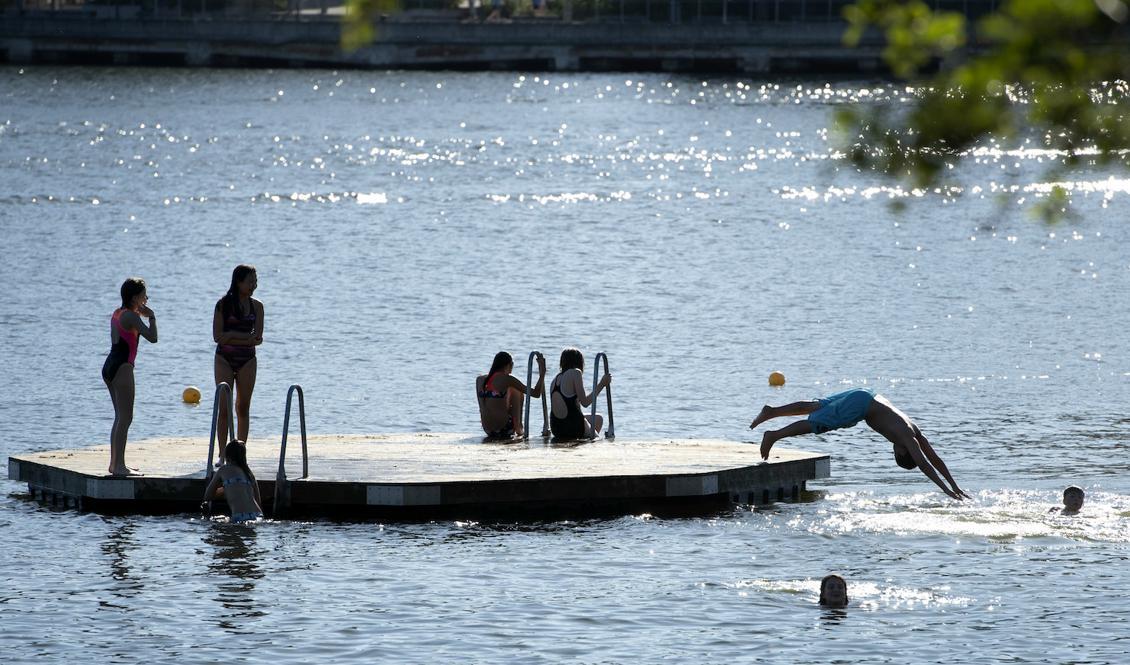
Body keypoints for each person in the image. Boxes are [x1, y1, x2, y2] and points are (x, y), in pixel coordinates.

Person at [750, 388, 970, 500]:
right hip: (862, 406)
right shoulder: (908, 439)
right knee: (819, 424)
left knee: (817, 407)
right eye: (897, 453)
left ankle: (773, 411)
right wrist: (946, 490)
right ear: (905, 452)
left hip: (867, 395)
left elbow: (935, 458)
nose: (894, 448)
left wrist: (955, 485)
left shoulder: (915, 431)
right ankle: (774, 435)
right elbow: (925, 463)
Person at [102, 277, 158, 476]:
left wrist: (140, 313)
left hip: (109, 365)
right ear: (135, 297)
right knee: (126, 418)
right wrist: (151, 316)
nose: (147, 298)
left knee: (119, 417)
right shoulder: (132, 317)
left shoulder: (118, 313)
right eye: (144, 296)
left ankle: (114, 464)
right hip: (123, 368)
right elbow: (153, 337)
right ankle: (119, 467)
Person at [213, 264, 264, 461]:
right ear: (238, 282)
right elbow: (218, 337)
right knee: (224, 408)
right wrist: (242, 336)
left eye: (255, 281)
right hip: (224, 359)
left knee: (243, 407)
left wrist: (231, 336)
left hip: (247, 360)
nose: (254, 285)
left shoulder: (257, 306)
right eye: (250, 281)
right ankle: (221, 454)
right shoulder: (223, 304)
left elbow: (257, 339)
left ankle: (240, 454)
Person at [477, 351, 546, 439]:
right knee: (516, 390)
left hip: (488, 429)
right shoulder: (508, 380)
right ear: (509, 364)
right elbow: (536, 394)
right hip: (504, 429)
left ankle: (515, 427)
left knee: (501, 394)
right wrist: (542, 375)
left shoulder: (480, 380)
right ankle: (519, 429)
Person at [549, 347, 611, 441]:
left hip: (556, 428)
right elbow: (585, 403)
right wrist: (602, 384)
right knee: (598, 441)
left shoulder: (556, 378)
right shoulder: (575, 373)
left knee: (598, 419)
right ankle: (588, 439)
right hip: (572, 427)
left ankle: (583, 441)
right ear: (579, 362)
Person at [202, 440, 263, 523]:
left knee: (215, 530)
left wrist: (225, 489)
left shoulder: (223, 470)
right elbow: (258, 501)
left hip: (240, 517)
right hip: (258, 515)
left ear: (227, 456)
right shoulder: (249, 473)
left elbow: (207, 496)